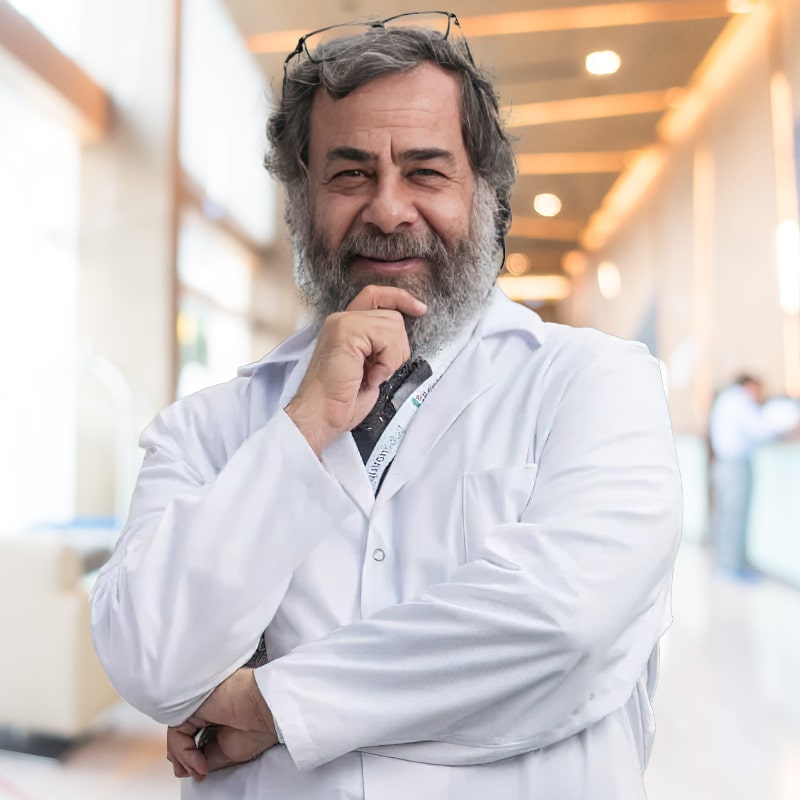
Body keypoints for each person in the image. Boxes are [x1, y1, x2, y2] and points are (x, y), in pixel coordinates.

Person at [90, 12, 682, 799]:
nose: (389, 210)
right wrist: (305, 426)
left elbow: (563, 626)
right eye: (350, 174)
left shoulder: (597, 383)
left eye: (427, 172)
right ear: (301, 202)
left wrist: (270, 703)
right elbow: (150, 659)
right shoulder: (206, 428)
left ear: (487, 195)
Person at [708, 374, 800, 578]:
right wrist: (788, 427)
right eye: (759, 390)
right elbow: (759, 429)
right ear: (750, 385)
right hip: (734, 466)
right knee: (734, 517)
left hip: (724, 464)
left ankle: (728, 563)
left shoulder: (728, 399)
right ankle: (731, 567)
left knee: (727, 516)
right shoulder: (739, 401)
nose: (760, 396)